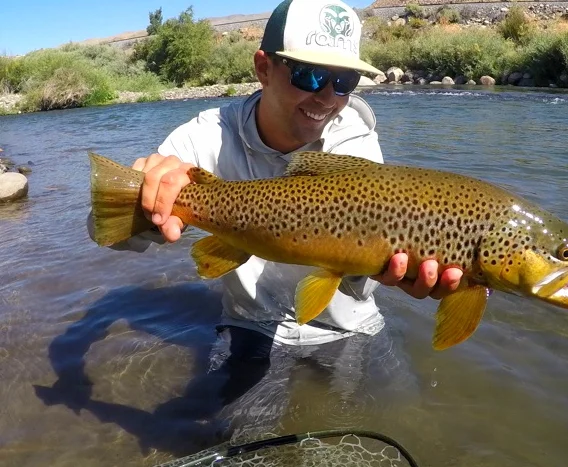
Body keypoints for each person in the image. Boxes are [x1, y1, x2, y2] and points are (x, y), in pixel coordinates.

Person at [87, 0, 463, 440]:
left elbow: (361, 275)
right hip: (251, 326)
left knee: (402, 425)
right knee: (245, 439)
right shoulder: (204, 137)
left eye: (344, 81)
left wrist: (403, 269)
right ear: (263, 68)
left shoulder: (357, 146)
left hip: (348, 324)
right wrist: (145, 206)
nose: (326, 96)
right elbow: (104, 230)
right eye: (308, 74)